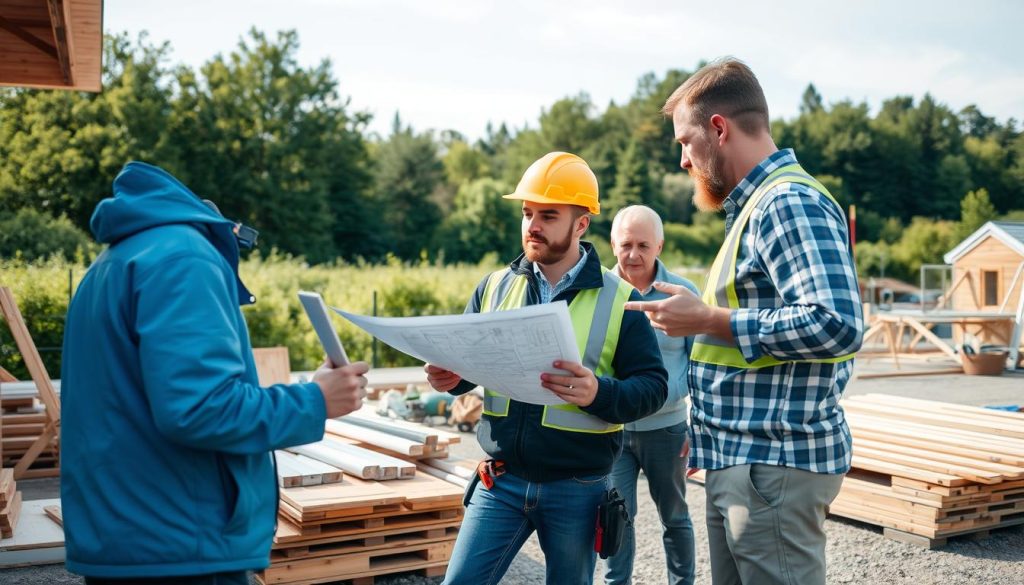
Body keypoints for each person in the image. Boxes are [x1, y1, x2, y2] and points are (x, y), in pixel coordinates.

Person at [60, 161, 370, 584]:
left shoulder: (115, 261)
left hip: (132, 535)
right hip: (182, 543)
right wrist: (316, 400)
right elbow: (202, 408)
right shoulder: (184, 259)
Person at [626, 58, 863, 585]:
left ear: (718, 129)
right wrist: (707, 428)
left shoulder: (786, 202)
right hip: (745, 459)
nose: (684, 160)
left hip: (771, 466)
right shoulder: (759, 205)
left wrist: (709, 319)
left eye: (686, 142)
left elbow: (837, 323)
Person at [424, 152, 668, 585]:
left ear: (581, 224)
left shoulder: (620, 300)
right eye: (527, 213)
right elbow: (469, 362)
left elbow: (652, 388)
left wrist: (599, 394)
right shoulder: (494, 286)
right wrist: (452, 378)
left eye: (548, 215)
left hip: (578, 488)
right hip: (501, 482)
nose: (532, 225)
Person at [606, 205, 698, 585]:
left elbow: (702, 364)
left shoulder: (682, 294)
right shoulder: (599, 293)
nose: (633, 254)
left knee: (675, 516)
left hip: (668, 430)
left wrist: (699, 427)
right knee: (616, 516)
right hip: (612, 431)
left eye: (643, 245)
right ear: (613, 244)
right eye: (626, 244)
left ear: (659, 245)